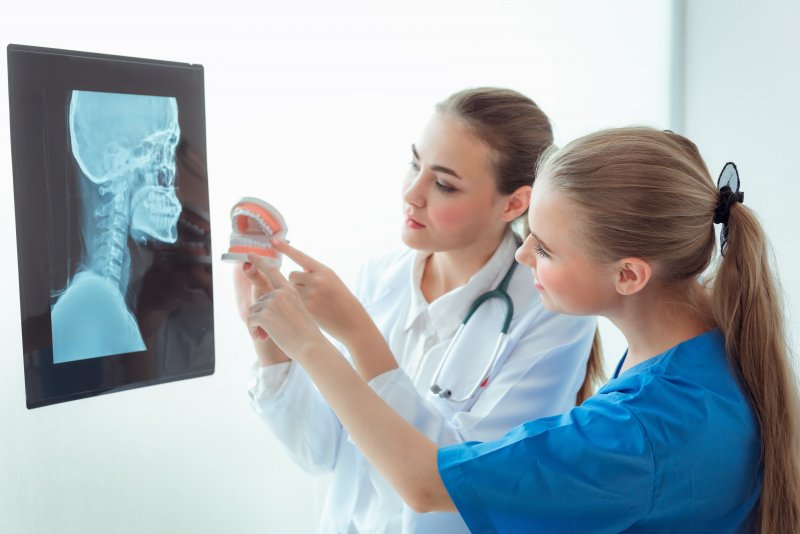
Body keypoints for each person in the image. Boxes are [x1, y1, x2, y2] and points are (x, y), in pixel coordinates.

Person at [246, 126, 800, 532]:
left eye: (547, 247)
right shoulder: (699, 346)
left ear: (629, 275)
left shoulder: (640, 428)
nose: (525, 256)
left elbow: (424, 484)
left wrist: (313, 345)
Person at [235, 88, 602, 533]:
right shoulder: (377, 278)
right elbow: (320, 451)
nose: (412, 194)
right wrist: (274, 347)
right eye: (415, 164)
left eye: (444, 184)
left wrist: (357, 335)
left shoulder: (552, 313)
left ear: (513, 203)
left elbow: (459, 489)